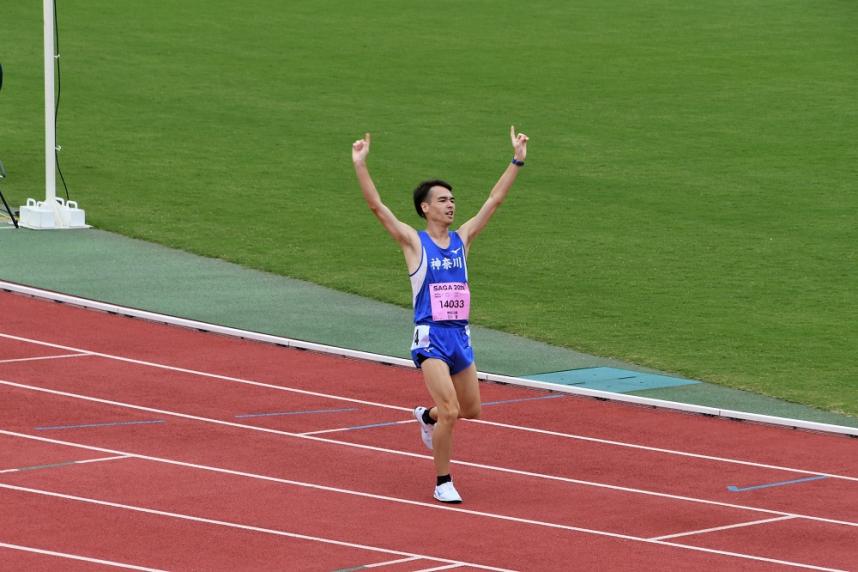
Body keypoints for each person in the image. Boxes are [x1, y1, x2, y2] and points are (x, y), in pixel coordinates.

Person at [351, 127, 529, 503]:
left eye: (453, 199)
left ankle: (426, 418)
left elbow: (494, 201)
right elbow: (377, 209)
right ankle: (442, 481)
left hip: (460, 336)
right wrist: (360, 164)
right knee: (451, 410)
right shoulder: (415, 243)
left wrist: (517, 160)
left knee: (471, 410)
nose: (451, 205)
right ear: (425, 208)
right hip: (430, 337)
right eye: (443, 200)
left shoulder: (463, 239)